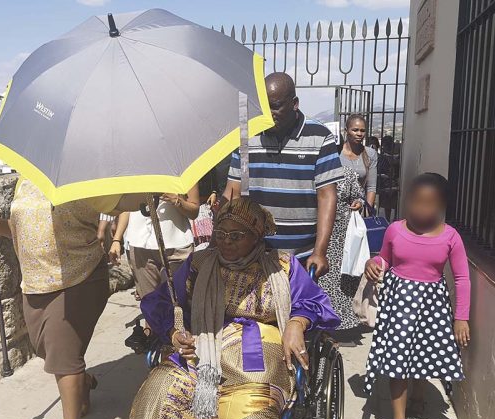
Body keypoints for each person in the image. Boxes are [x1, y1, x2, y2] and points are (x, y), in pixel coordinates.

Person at [112, 198, 339, 419]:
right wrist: (174, 330)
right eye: (221, 233)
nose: (226, 242)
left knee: (251, 415)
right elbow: (162, 300)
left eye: (237, 235)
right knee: (158, 389)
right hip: (202, 346)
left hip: (257, 352)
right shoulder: (199, 262)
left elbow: (314, 303)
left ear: (257, 235)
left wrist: (297, 322)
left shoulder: (282, 266)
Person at [0, 178, 109, 419]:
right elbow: (18, 230)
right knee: (45, 349)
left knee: (63, 355)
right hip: (36, 281)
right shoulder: (24, 180)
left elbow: (111, 213)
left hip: (80, 275)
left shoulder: (85, 177)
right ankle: (82, 384)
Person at [363, 173, 471, 419]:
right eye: (416, 203)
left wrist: (461, 317)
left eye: (429, 204)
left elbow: (461, 278)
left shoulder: (451, 237)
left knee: (423, 354)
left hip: (432, 306)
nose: (421, 209)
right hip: (398, 304)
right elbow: (383, 257)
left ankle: (419, 397)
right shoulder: (395, 230)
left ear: (441, 205)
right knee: (399, 358)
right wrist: (372, 264)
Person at [221, 72, 344, 278]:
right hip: (254, 254)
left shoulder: (319, 137)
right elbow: (234, 191)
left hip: (301, 259)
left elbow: (327, 195)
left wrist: (320, 251)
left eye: (275, 106)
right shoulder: (246, 135)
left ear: (294, 103)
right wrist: (218, 238)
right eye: (264, 106)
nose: (269, 113)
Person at [109, 186, 199, 350]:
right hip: (139, 245)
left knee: (180, 304)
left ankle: (183, 352)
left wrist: (177, 201)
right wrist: (117, 239)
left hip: (177, 245)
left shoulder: (179, 167)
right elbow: (127, 209)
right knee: (151, 304)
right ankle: (158, 353)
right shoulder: (135, 170)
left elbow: (194, 210)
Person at [317, 114, 377, 329]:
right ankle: (329, 315)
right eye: (355, 130)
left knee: (351, 266)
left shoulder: (370, 155)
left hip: (353, 218)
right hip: (332, 214)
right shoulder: (335, 153)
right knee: (331, 269)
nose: (359, 134)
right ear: (346, 131)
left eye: (362, 130)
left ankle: (348, 316)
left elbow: (371, 186)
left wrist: (364, 206)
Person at [378, 135, 400, 221]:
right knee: (388, 203)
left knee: (395, 202)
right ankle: (388, 220)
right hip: (386, 181)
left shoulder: (398, 150)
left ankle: (393, 219)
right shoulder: (383, 153)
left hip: (396, 179)